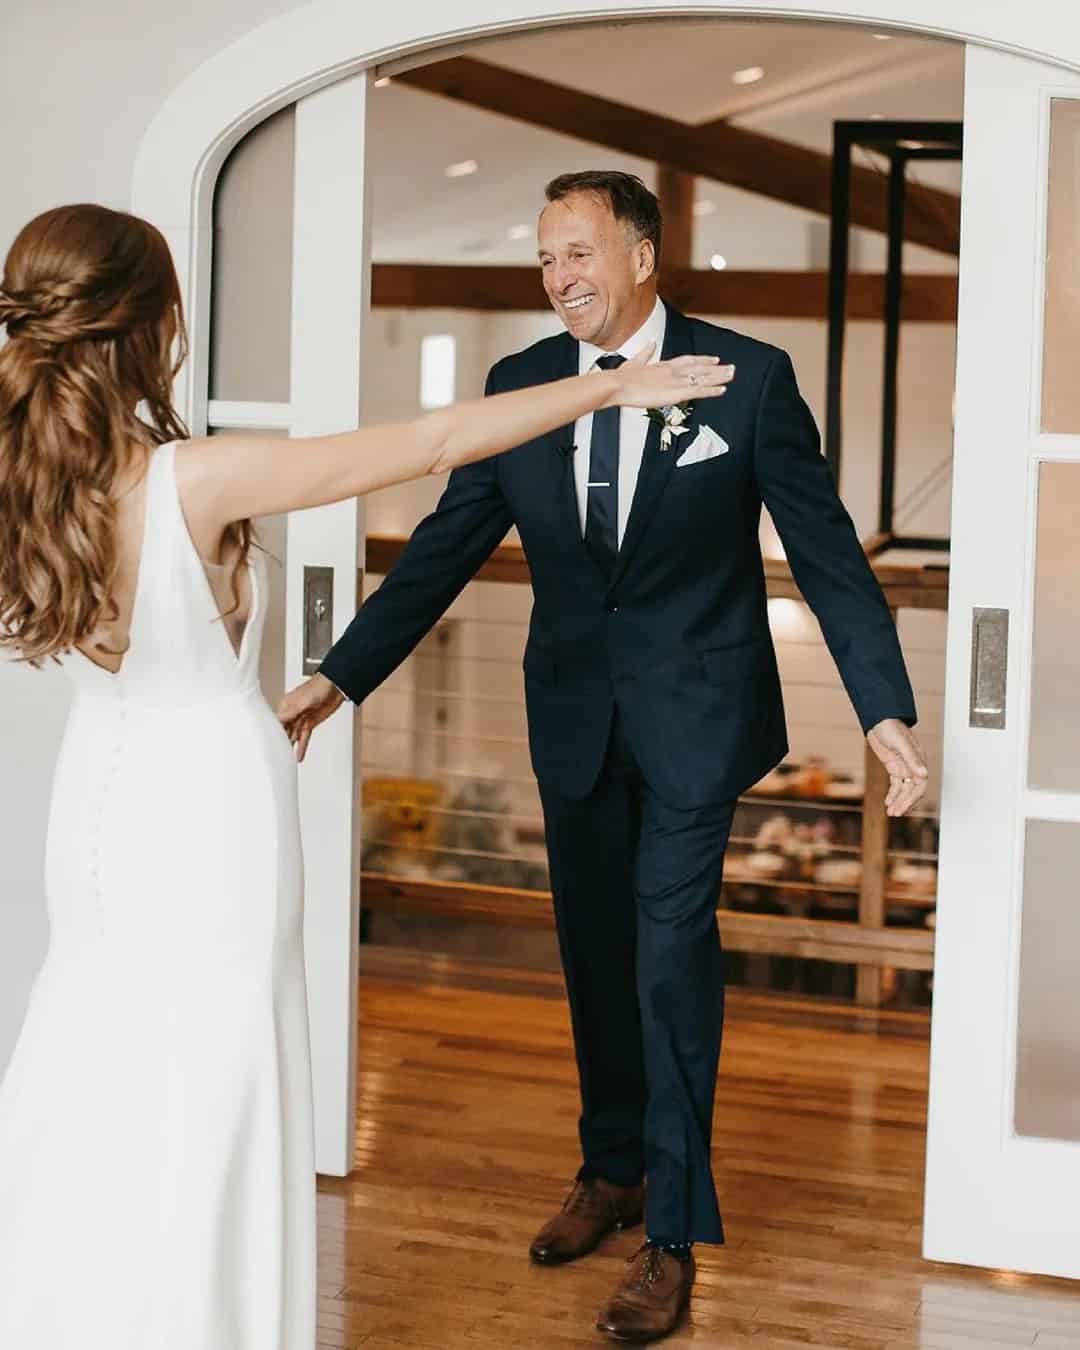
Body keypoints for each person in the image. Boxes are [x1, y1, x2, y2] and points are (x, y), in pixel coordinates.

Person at [0, 201, 731, 1350]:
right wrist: (605, 386)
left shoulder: (22, 476)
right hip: (206, 808)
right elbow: (433, 445)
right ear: (156, 325)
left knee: (94, 1050)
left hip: (94, 800)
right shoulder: (192, 479)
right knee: (216, 1072)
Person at [278, 170, 930, 1343]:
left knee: (669, 955)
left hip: (697, 716)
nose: (558, 278)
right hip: (573, 714)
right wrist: (337, 677)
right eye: (544, 261)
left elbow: (826, 553)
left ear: (642, 255)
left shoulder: (748, 379)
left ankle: (672, 1236)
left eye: (577, 253)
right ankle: (612, 1169)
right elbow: (446, 547)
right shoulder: (519, 386)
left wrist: (882, 707)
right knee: (591, 951)